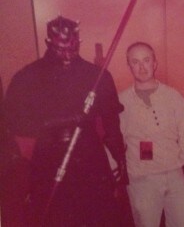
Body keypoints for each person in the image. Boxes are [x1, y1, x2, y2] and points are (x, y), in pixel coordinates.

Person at [3, 15, 128, 226]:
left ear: (78, 42)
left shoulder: (97, 75)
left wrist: (119, 157)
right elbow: (13, 124)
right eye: (61, 49)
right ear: (48, 43)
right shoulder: (27, 77)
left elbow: (111, 123)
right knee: (54, 214)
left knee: (98, 214)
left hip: (90, 155)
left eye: (72, 48)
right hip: (49, 155)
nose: (68, 55)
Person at [119, 42, 184, 227]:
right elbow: (115, 143)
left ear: (155, 63)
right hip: (141, 181)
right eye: (135, 62)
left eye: (146, 60)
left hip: (175, 177)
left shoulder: (173, 97)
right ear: (129, 66)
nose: (142, 67)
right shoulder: (121, 102)